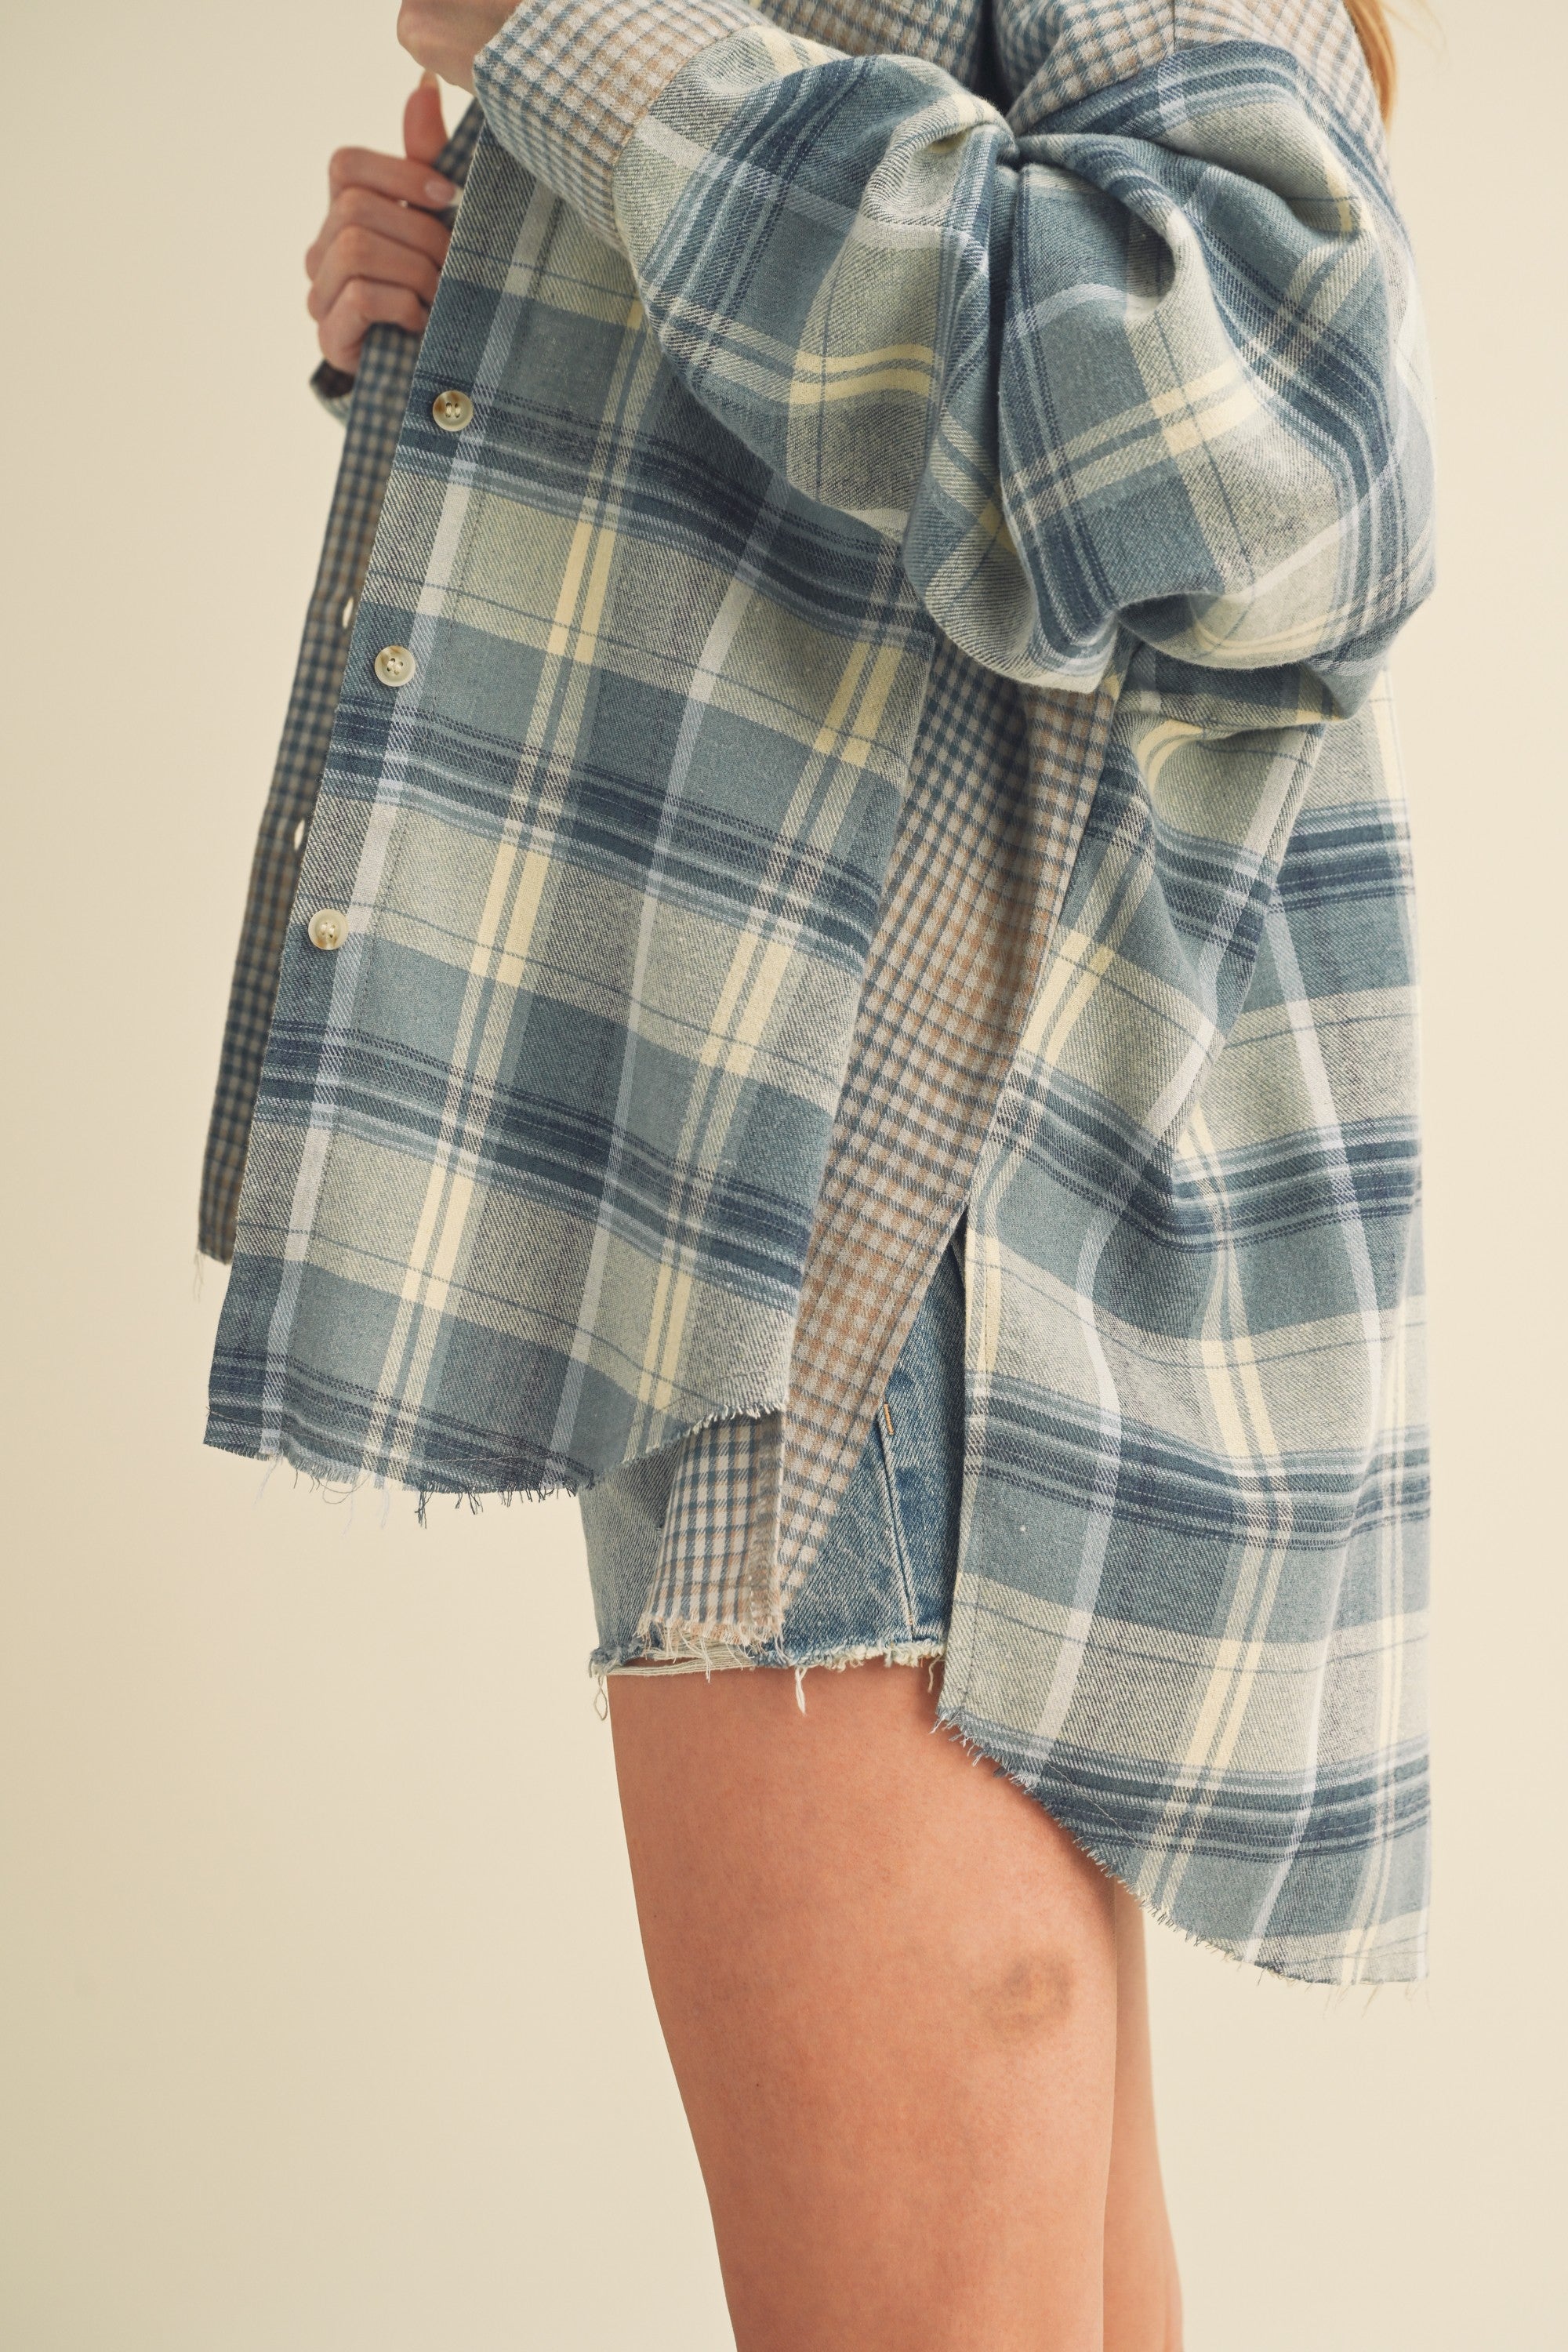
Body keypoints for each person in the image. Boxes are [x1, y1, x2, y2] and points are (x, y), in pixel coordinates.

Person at [201, 0, 1431, 2342]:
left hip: (863, 1242)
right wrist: (505, 316)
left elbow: (1292, 434)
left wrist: (579, 51)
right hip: (821, 1200)